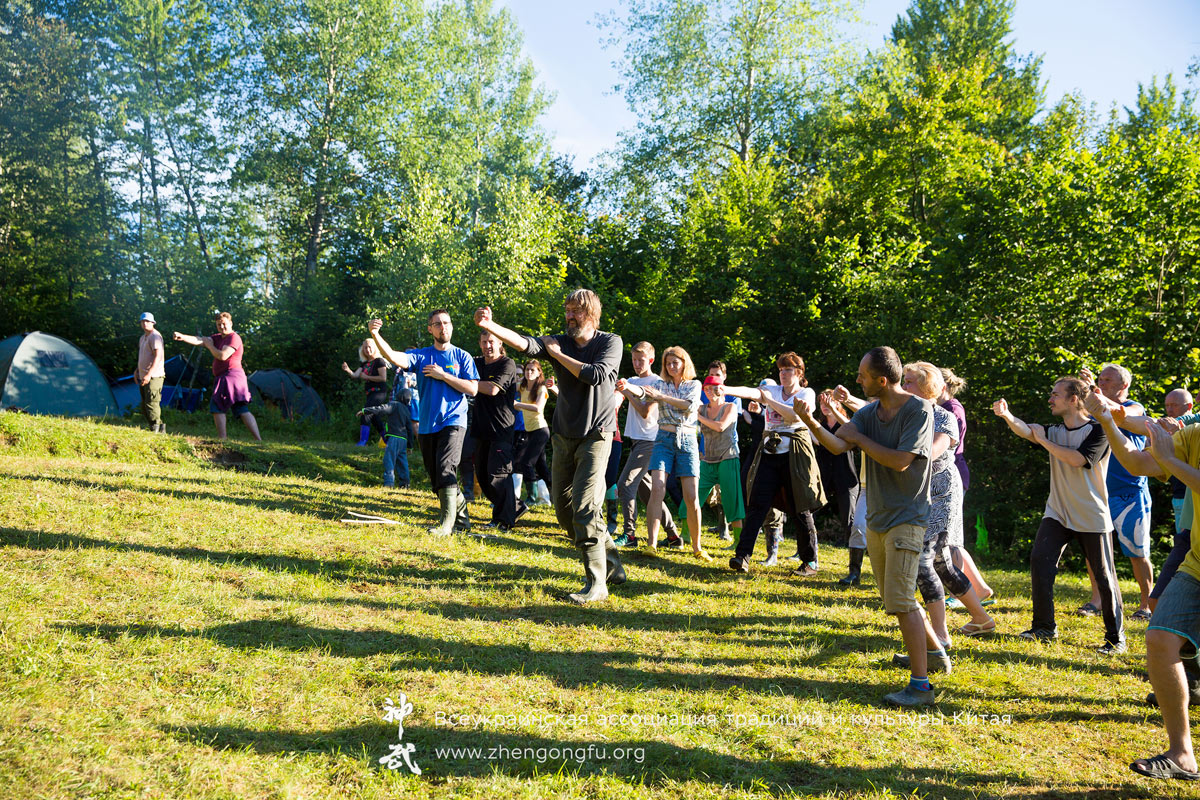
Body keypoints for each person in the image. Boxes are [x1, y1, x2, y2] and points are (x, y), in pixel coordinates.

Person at [795, 346, 944, 707]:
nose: (857, 379)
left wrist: (859, 439)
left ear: (881, 380)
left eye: (862, 375)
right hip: (878, 516)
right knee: (897, 597)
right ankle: (936, 654)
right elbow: (835, 445)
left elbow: (901, 461)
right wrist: (811, 421)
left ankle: (921, 686)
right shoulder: (871, 412)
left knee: (900, 600)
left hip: (908, 516)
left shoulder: (919, 410)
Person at [474, 290, 626, 604]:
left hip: (597, 435)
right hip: (563, 435)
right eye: (567, 311)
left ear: (591, 314)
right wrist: (491, 325)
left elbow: (595, 375)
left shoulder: (611, 342)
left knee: (585, 507)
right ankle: (611, 563)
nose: (570, 317)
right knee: (564, 510)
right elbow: (524, 342)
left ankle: (597, 584)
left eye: (576, 312)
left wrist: (557, 356)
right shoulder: (559, 340)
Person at [1082, 403, 1200, 780]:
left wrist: (1171, 460)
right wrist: (1106, 422)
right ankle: (1182, 754)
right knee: (1160, 639)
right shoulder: (1195, 435)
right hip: (1197, 563)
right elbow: (1137, 463)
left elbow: (1168, 461)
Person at [992, 377, 1125, 653]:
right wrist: (1007, 416)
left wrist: (1044, 440)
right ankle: (1044, 627)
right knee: (1040, 561)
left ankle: (1116, 639)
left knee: (1104, 576)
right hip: (1058, 513)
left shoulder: (1099, 432)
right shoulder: (1052, 430)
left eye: (1056, 394)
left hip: (1091, 516)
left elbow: (1077, 460)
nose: (1050, 399)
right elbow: (1028, 431)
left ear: (1074, 399)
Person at [901, 362, 995, 642]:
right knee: (942, 563)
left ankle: (940, 635)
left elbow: (931, 451)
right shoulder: (905, 415)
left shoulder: (944, 416)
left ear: (927, 387)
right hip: (919, 492)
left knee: (924, 561)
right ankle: (981, 618)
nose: (903, 387)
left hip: (942, 492)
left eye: (909, 382)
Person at [369, 311, 479, 536]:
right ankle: (462, 522)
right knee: (437, 476)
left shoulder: (462, 356)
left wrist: (444, 376)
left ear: (451, 326)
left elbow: (473, 389)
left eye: (446, 323)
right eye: (437, 324)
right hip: (429, 425)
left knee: (446, 467)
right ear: (430, 329)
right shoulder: (421, 356)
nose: (443, 327)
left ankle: (446, 525)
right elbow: (393, 357)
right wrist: (375, 333)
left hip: (454, 420)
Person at [724, 354, 825, 576]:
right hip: (769, 453)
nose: (782, 373)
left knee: (800, 507)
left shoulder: (806, 393)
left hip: (795, 455)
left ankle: (810, 562)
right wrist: (725, 388)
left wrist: (768, 401)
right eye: (780, 370)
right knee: (757, 505)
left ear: (799, 372)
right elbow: (751, 391)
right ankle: (742, 557)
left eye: (788, 370)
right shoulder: (774, 391)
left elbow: (793, 416)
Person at [617, 346, 711, 560]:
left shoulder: (694, 385)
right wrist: (629, 387)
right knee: (657, 489)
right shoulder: (660, 384)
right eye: (667, 363)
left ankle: (697, 547)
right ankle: (651, 544)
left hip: (687, 441)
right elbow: (645, 394)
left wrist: (661, 396)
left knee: (691, 496)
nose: (670, 367)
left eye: (674, 363)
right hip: (662, 440)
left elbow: (688, 406)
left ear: (684, 363)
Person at [1078, 364, 1155, 620]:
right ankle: (1097, 600)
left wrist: (1093, 393)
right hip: (1099, 492)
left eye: (1108, 380)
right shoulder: (1096, 408)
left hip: (1130, 494)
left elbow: (1118, 413)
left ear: (1124, 386)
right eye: (1100, 380)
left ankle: (1146, 604)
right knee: (1094, 549)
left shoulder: (1134, 408)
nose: (1103, 383)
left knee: (1137, 552)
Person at [614, 342, 682, 548]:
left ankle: (630, 535)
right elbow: (616, 400)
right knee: (648, 493)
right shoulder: (632, 380)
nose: (636, 364)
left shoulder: (658, 383)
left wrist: (627, 393)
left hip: (651, 441)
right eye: (633, 359)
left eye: (640, 360)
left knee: (625, 485)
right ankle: (673, 536)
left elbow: (645, 412)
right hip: (636, 441)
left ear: (650, 360)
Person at [937, 368, 994, 605]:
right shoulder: (944, 407)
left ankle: (956, 594)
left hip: (954, 474)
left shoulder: (952, 409)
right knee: (952, 536)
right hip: (950, 473)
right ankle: (980, 589)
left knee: (950, 539)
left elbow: (949, 444)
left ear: (941, 386)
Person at [174, 312, 261, 441]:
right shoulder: (218, 338)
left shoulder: (234, 337)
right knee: (241, 408)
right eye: (219, 324)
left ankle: (222, 439)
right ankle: (258, 440)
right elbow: (201, 340)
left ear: (231, 323)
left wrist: (210, 346)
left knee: (217, 406)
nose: (222, 326)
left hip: (231, 376)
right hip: (228, 377)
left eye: (224, 324)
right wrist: (183, 336)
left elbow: (222, 356)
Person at [683, 374, 745, 548]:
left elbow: (720, 426)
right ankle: (685, 535)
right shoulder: (701, 408)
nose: (711, 391)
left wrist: (698, 417)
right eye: (707, 388)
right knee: (691, 496)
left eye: (715, 387)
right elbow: (690, 429)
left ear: (722, 388)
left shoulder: (730, 407)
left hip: (728, 457)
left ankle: (739, 541)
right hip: (707, 459)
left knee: (732, 499)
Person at [472, 332, 525, 531]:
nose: (488, 346)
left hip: (501, 429)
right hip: (481, 427)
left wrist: (465, 383)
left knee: (498, 475)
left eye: (491, 342)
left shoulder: (507, 364)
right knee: (484, 478)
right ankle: (516, 506)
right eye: (484, 342)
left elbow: (493, 389)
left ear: (500, 342)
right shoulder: (477, 363)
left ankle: (504, 521)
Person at [360, 385, 416, 489]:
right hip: (403, 440)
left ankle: (389, 483)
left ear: (398, 396)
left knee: (389, 459)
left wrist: (365, 411)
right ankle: (405, 484)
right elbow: (410, 430)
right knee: (402, 462)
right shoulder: (407, 412)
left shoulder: (394, 405)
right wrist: (410, 446)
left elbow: (381, 409)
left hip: (394, 437)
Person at [514, 359, 553, 506]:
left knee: (526, 463)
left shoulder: (541, 389)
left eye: (532, 370)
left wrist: (518, 404)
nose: (529, 372)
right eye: (527, 370)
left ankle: (531, 498)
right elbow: (509, 387)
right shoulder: (522, 387)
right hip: (529, 431)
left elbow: (538, 408)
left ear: (538, 373)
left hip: (540, 431)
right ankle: (555, 494)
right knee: (541, 467)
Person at [343, 339, 390, 446]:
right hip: (370, 394)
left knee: (366, 412)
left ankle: (362, 441)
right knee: (374, 418)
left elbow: (383, 378)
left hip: (379, 393)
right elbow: (355, 375)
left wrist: (367, 377)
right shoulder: (364, 363)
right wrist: (348, 370)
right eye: (365, 347)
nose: (367, 350)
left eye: (369, 347)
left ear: (374, 348)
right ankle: (388, 442)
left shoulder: (379, 361)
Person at [135, 312, 166, 433]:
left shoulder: (155, 336)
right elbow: (143, 356)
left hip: (154, 376)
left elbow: (158, 356)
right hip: (144, 375)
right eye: (142, 322)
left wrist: (149, 374)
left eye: (147, 321)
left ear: (153, 323)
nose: (144, 323)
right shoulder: (143, 338)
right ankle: (156, 427)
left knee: (152, 402)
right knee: (145, 404)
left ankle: (156, 428)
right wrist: (137, 370)